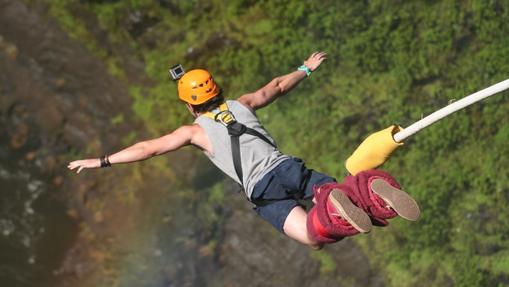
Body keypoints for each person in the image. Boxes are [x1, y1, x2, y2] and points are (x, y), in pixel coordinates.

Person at [68, 52, 419, 250]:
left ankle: (334, 209)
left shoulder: (192, 132)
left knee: (314, 236)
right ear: (218, 92)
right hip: (287, 168)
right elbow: (277, 86)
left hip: (263, 192)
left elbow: (148, 149)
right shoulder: (243, 104)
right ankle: (369, 192)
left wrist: (102, 161)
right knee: (337, 193)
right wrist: (305, 69)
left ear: (190, 107)